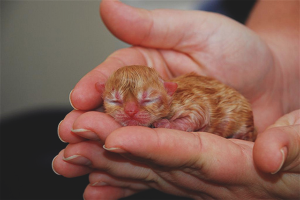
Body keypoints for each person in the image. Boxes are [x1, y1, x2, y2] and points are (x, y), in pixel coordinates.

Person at [52, 0, 300, 199]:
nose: (129, 112)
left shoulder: (182, 101)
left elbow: (200, 110)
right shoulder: (150, 102)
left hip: (233, 118)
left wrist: (179, 125)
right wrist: (279, 58)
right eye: (115, 103)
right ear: (102, 93)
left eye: (147, 102)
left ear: (169, 92)